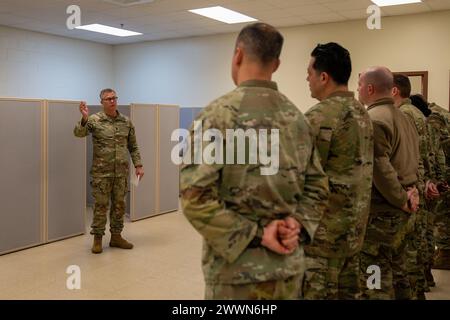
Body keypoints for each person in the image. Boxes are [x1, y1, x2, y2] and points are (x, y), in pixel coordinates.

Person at [180, 23, 329, 300]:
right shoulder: (298, 119)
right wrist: (296, 224)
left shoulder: (216, 116)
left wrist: (259, 235)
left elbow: (195, 197)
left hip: (235, 276)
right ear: (277, 63)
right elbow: (318, 186)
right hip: (288, 270)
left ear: (237, 55)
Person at [302, 42, 373, 300]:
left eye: (309, 72)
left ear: (323, 77)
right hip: (354, 235)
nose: (306, 78)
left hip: (322, 243)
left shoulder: (318, 117)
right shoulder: (363, 114)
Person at [358, 67, 420, 299]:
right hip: (405, 209)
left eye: (359, 85)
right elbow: (415, 160)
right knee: (400, 271)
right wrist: (413, 194)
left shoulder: (373, 119)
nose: (357, 90)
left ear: (370, 88)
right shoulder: (404, 117)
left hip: (382, 214)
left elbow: (380, 169)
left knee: (375, 279)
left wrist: (402, 200)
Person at [74, 88, 144, 254]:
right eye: (108, 99)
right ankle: (97, 239)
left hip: (121, 173)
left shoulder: (126, 122)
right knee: (101, 206)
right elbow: (78, 133)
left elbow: (133, 146)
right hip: (101, 174)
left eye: (114, 98)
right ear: (102, 102)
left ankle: (116, 237)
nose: (112, 101)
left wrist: (139, 165)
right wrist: (84, 118)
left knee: (119, 206)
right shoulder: (94, 120)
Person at [392, 75, 437, 299]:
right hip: (421, 182)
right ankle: (420, 285)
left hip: (411, 186)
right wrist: (430, 179)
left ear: (394, 91)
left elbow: (409, 155)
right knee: (417, 241)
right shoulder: (418, 114)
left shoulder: (404, 115)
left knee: (409, 247)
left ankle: (415, 290)